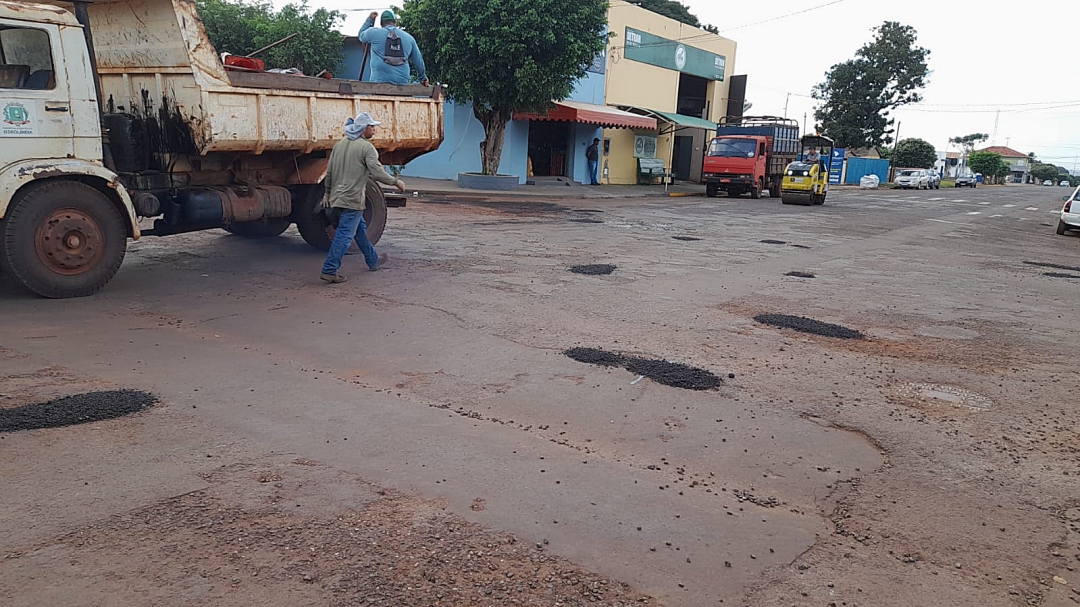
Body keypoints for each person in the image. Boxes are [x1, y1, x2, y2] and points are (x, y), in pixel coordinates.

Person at [320, 112, 406, 284]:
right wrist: (396, 182)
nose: (374, 129)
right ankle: (329, 269)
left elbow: (329, 173)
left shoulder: (339, 145)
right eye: (372, 126)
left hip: (337, 197)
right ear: (363, 128)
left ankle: (372, 259)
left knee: (359, 229)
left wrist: (327, 193)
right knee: (345, 234)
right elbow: (377, 173)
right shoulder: (366, 148)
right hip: (353, 200)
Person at [359, 10, 428, 86]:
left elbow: (361, 35)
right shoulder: (409, 38)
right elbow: (418, 61)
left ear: (381, 24)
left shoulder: (373, 33)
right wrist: (422, 78)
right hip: (402, 85)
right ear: (395, 23)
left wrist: (370, 19)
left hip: (378, 83)